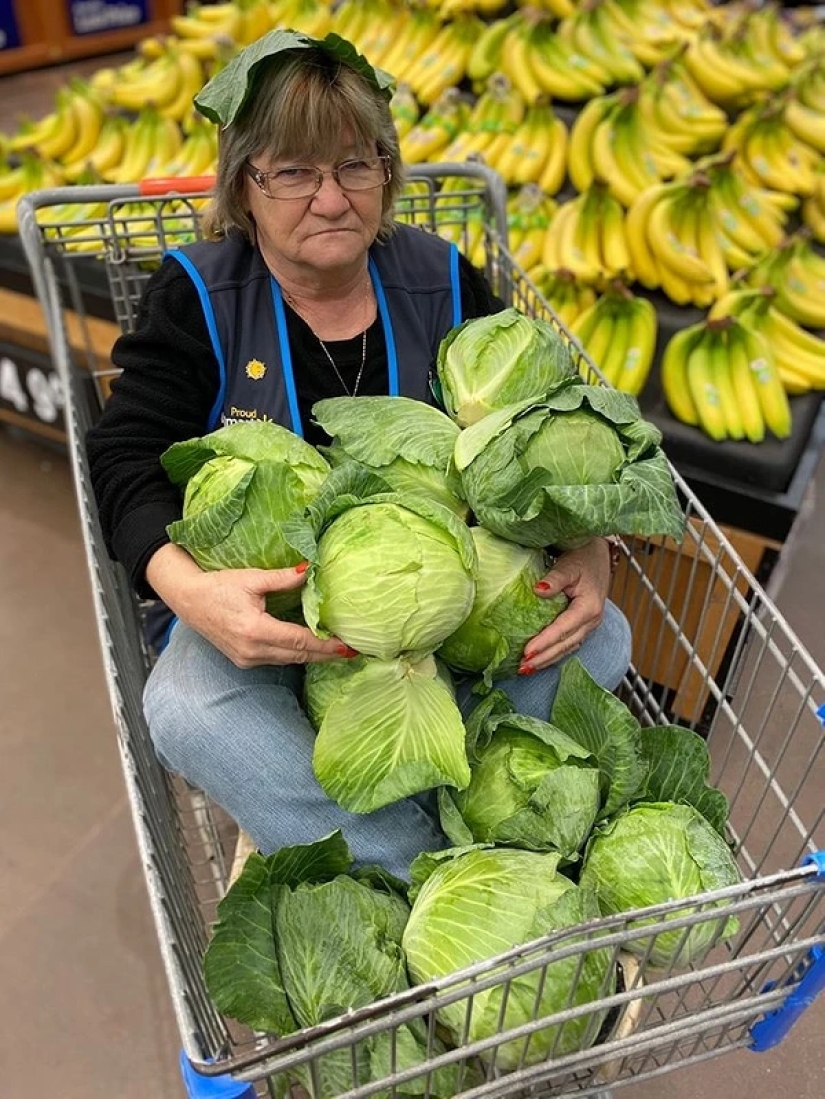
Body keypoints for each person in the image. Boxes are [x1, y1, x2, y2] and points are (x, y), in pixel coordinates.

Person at [86, 31, 632, 880]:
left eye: (355, 166)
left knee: (601, 639)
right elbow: (124, 453)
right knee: (189, 709)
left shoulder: (443, 278)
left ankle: (422, 829)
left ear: (387, 174)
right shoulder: (197, 294)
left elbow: (534, 444)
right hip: (277, 621)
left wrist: (587, 553)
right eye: (294, 172)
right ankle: (423, 872)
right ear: (245, 186)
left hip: (437, 610)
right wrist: (191, 589)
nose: (332, 199)